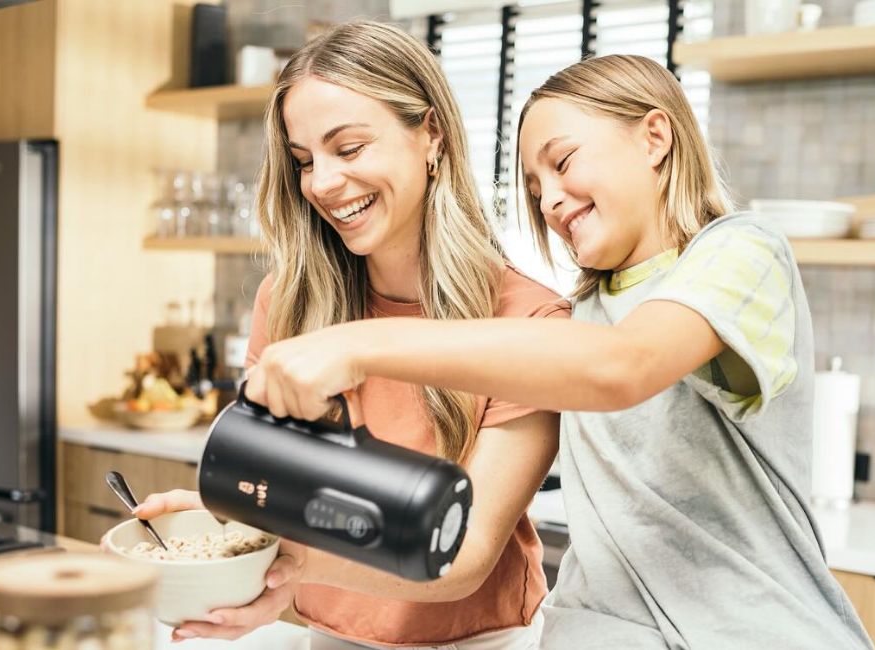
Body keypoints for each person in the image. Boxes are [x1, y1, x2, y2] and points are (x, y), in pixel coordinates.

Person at [241, 54, 875, 649]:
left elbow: (621, 367)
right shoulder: (582, 310)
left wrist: (358, 343)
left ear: (655, 137)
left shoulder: (741, 253)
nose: (546, 200)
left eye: (564, 162)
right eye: (533, 183)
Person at [135, 21, 569, 649]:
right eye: (304, 160)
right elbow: (277, 489)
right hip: (328, 636)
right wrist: (217, 511)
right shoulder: (288, 303)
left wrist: (297, 565)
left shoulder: (529, 323)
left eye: (350, 148)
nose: (322, 184)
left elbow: (462, 556)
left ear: (432, 135)